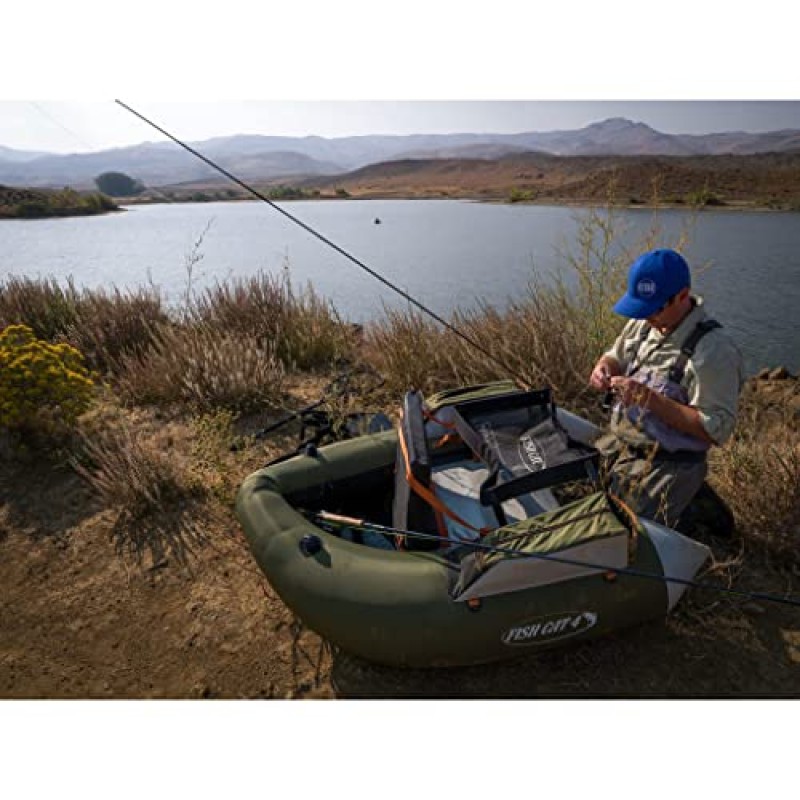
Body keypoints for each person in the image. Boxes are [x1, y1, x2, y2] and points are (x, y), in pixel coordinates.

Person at [589, 248, 745, 529]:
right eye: (641, 308)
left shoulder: (713, 352)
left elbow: (714, 429)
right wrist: (604, 368)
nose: (646, 316)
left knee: (623, 536)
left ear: (683, 296)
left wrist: (649, 400)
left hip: (670, 465)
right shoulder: (644, 321)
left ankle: (692, 510)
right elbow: (615, 355)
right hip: (623, 447)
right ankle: (691, 508)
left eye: (654, 309)